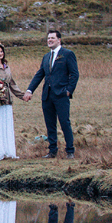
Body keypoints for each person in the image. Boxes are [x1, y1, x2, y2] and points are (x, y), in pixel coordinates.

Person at [23, 30, 79, 159]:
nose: (50, 40)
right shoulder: (46, 57)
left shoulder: (67, 54)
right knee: (50, 124)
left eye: (52, 38)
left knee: (65, 123)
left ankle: (70, 150)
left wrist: (69, 90)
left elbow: (74, 74)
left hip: (61, 94)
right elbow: (39, 74)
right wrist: (29, 90)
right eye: (48, 38)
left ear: (59, 40)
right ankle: (52, 150)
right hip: (47, 95)